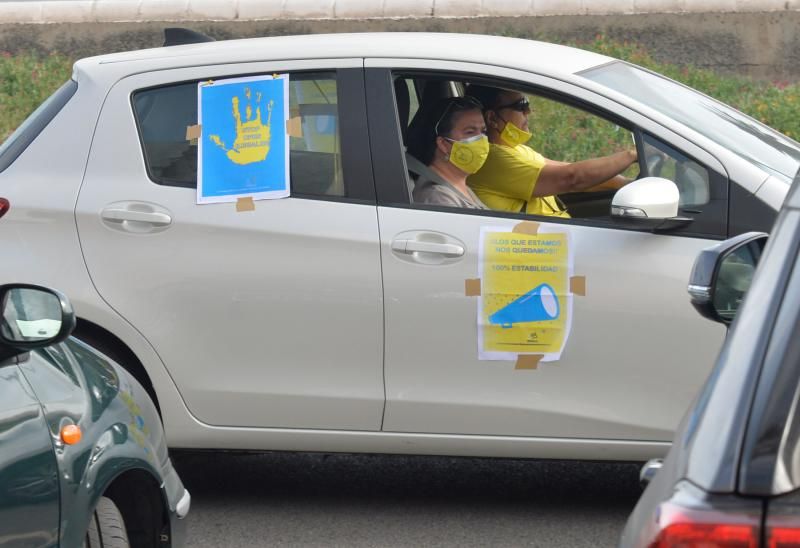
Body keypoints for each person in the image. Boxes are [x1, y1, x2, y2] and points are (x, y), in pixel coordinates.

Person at [465, 85, 638, 218]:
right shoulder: (493, 159)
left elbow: (570, 169)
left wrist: (625, 183)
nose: (528, 111)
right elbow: (572, 177)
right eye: (520, 105)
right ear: (492, 118)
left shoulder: (515, 149)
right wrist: (632, 155)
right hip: (538, 251)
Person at [407, 96, 490, 210]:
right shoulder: (438, 198)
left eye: (483, 131)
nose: (481, 139)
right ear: (443, 144)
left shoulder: (458, 186)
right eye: (470, 132)